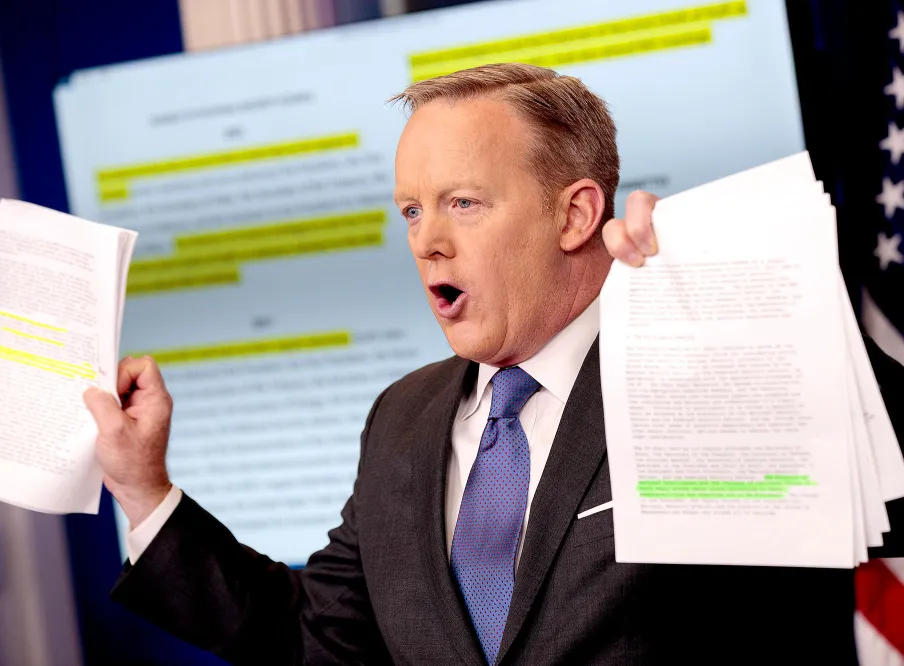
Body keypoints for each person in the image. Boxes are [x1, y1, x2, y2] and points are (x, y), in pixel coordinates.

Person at [84, 63, 904, 665]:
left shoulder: (706, 362)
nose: (426, 240)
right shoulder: (400, 418)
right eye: (411, 210)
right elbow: (317, 641)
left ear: (576, 212)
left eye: (463, 203)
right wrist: (143, 489)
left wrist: (757, 307)